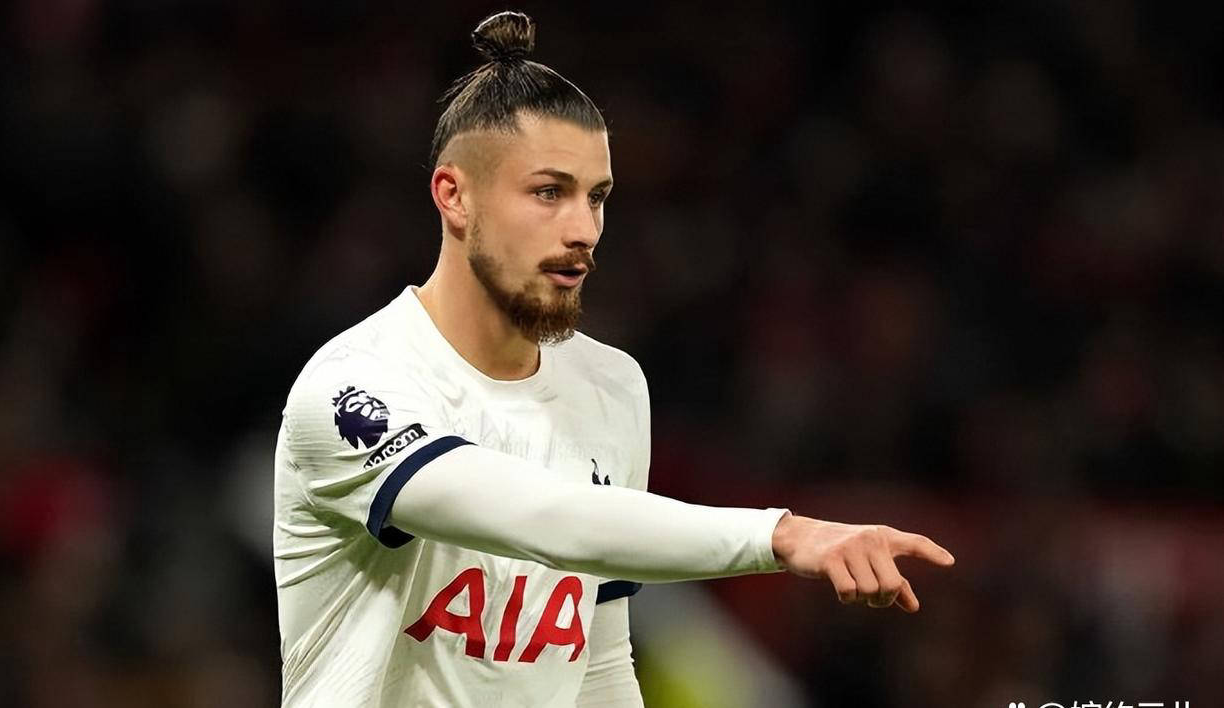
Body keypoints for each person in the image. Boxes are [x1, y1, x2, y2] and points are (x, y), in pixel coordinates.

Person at [273, 11, 955, 707]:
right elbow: (543, 519)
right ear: (455, 196)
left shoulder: (611, 386)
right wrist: (779, 534)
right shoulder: (354, 387)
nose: (583, 230)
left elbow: (597, 663)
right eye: (548, 192)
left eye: (596, 197)